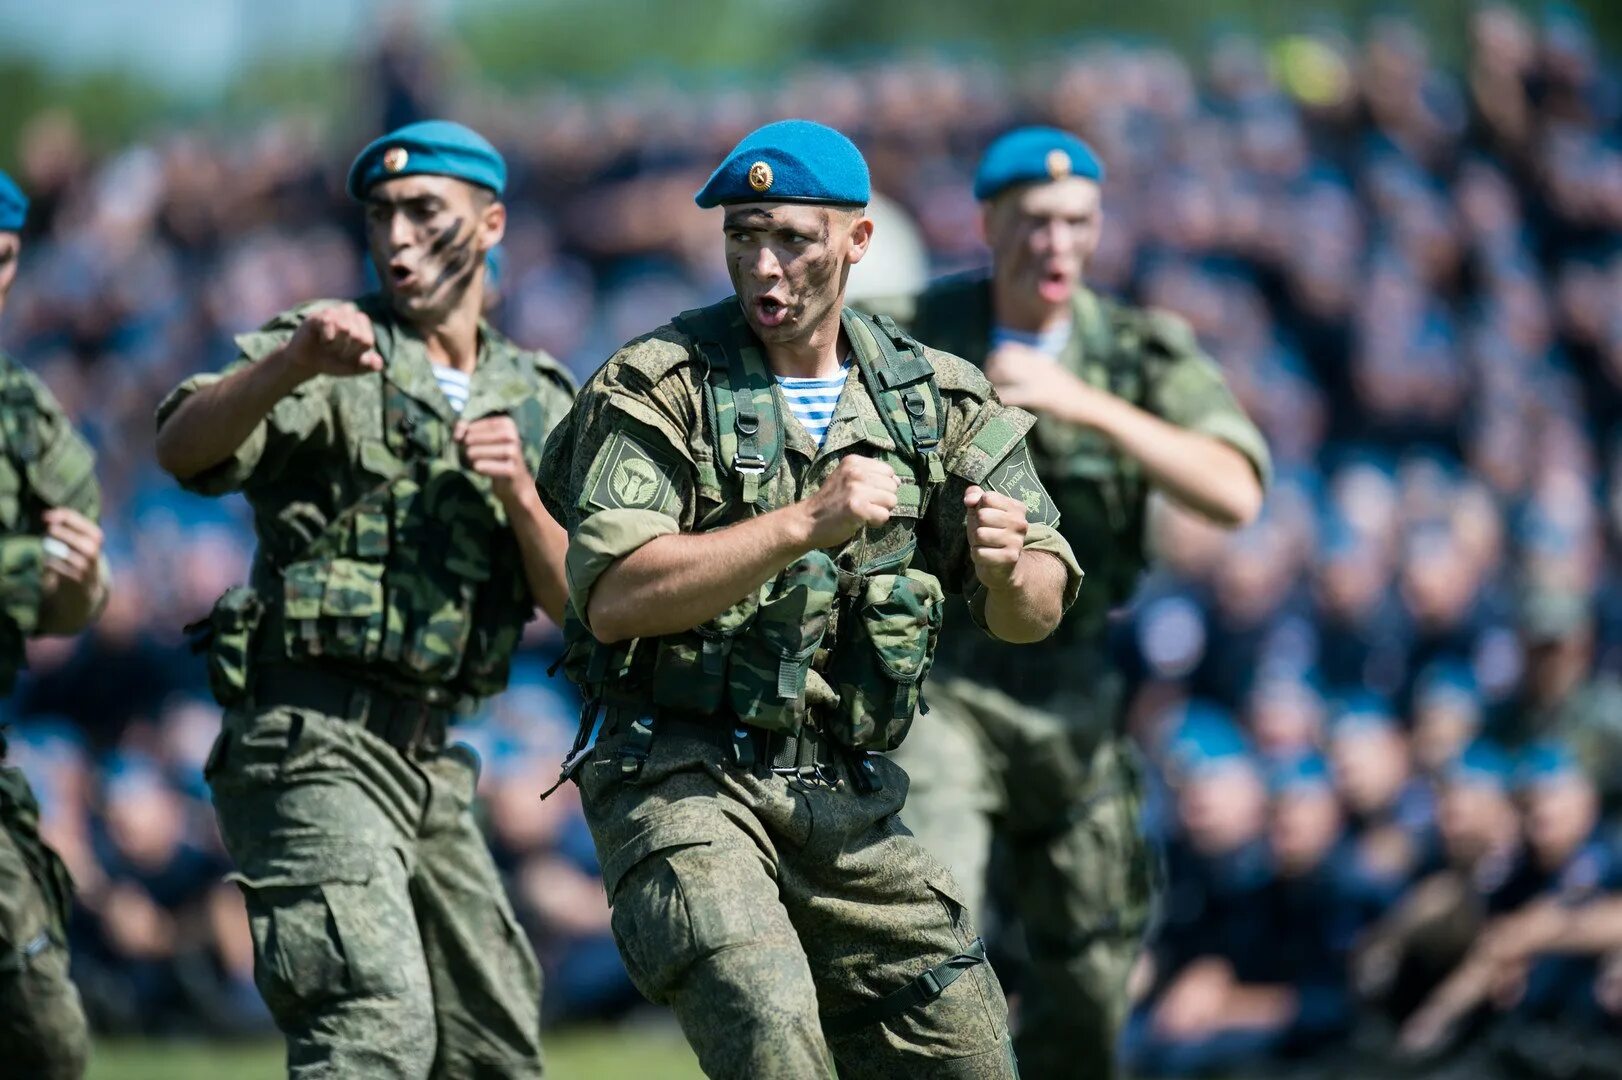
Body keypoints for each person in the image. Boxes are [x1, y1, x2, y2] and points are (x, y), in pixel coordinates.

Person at [537, 119, 1082, 1079]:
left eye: (792, 237)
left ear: (858, 242)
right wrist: (800, 524)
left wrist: (1007, 570)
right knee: (771, 1021)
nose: (765, 266)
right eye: (744, 235)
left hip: (842, 789)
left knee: (968, 1050)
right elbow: (614, 596)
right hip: (679, 776)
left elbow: (1037, 606)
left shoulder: (935, 401)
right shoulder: (657, 384)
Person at [154, 121, 574, 1078]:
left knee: (493, 1050)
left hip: (432, 760)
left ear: (492, 221)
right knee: (371, 1027)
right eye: (381, 214)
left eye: (425, 211)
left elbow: (574, 604)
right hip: (310, 742)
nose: (396, 235)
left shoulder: (539, 395)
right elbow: (181, 446)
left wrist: (520, 497)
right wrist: (289, 363)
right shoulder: (331, 344)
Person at [867, 126, 1270, 1077]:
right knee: (939, 911)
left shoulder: (1132, 352)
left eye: (1077, 223)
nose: (1057, 244)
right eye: (1035, 222)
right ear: (989, 222)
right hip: (944, 678)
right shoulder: (914, 330)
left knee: (1090, 976)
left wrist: (1087, 405)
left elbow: (1236, 490)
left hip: (1078, 692)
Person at [0, 168, 107, 1080]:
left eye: (2, 260)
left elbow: (75, 606)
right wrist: (24, 564)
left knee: (48, 1037)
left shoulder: (24, 414)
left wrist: (73, 577)